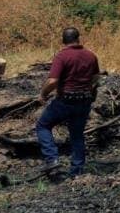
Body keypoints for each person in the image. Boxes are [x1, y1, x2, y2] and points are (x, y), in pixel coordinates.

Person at [35, 27, 100, 178]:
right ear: (78, 38)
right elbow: (96, 79)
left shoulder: (62, 56)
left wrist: (43, 94)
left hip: (66, 100)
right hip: (84, 101)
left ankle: (52, 159)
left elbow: (52, 81)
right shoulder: (91, 55)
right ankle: (77, 172)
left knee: (43, 126)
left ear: (63, 41)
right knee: (77, 135)